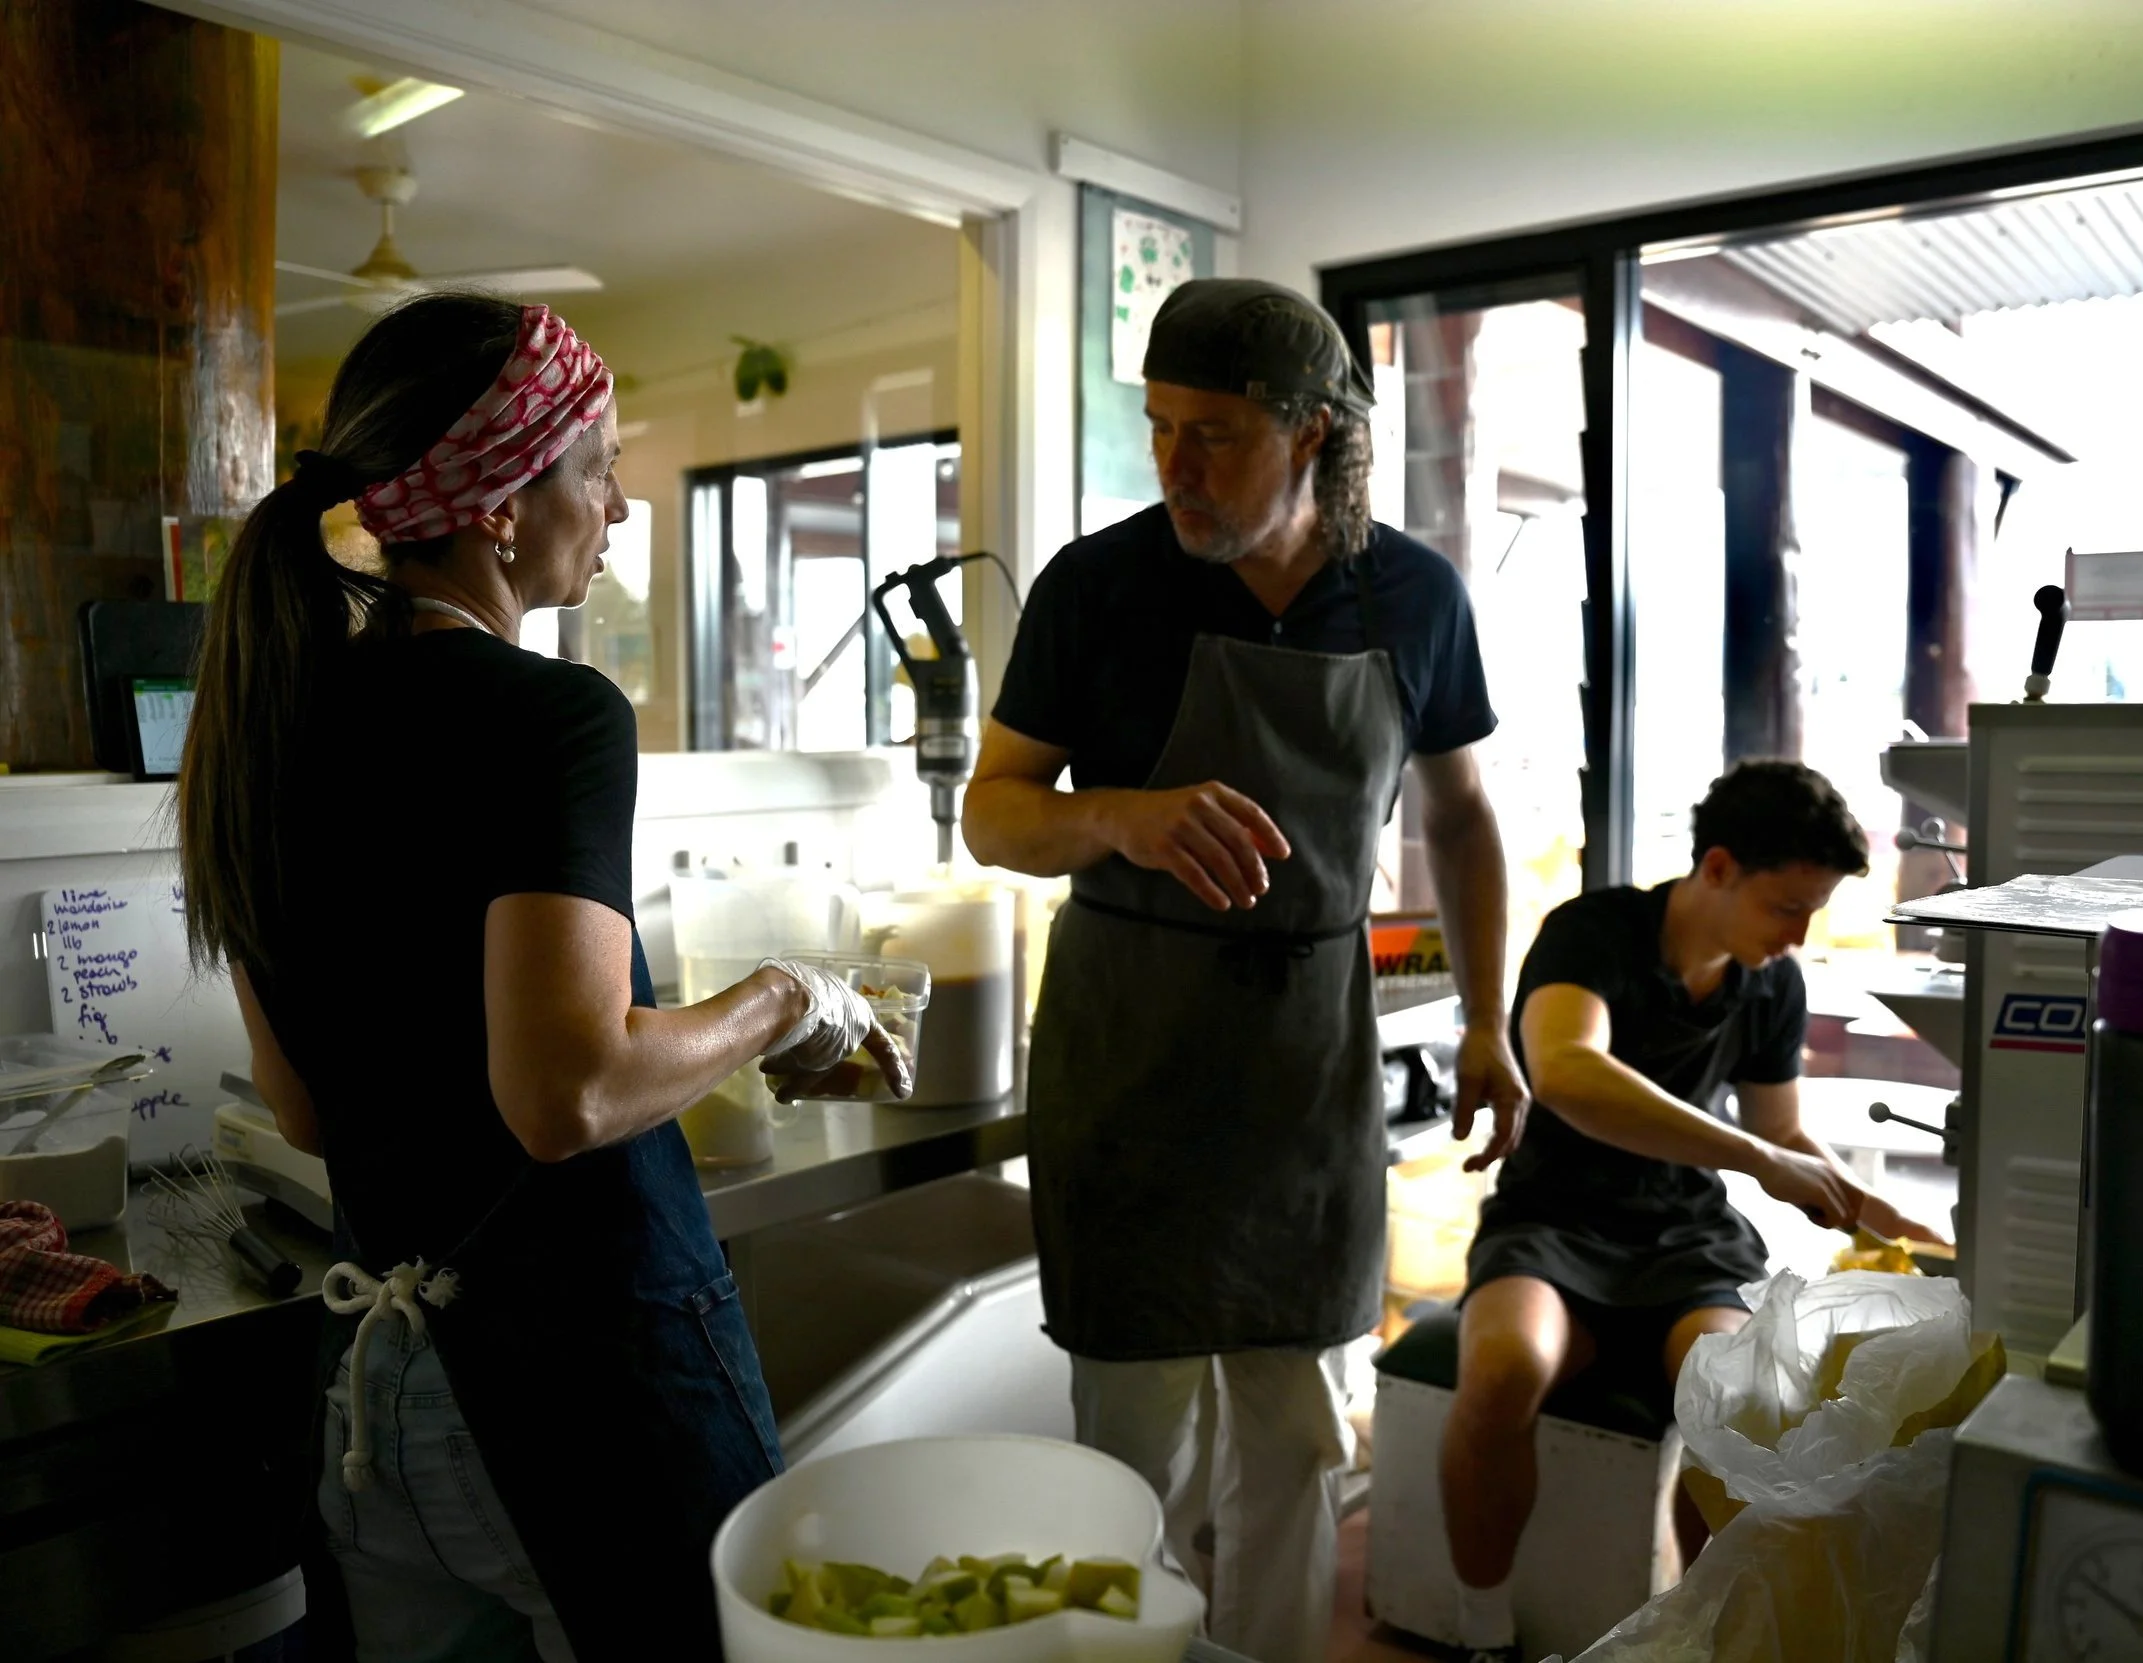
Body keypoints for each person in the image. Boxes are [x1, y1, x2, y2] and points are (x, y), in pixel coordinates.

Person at [176, 294, 904, 1663]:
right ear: (503, 506)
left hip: (379, 1394)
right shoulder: (553, 715)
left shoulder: (272, 717)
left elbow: (307, 1107)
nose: (619, 507)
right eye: (601, 468)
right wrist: (784, 998)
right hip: (580, 1392)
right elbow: (566, 1092)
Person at [962, 278, 1530, 1663]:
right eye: (1159, 427)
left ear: (1312, 430)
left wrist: (1487, 1021)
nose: (1176, 464)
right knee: (1130, 1449)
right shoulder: (1097, 586)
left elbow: (1461, 815)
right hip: (1129, 1056)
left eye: (1212, 433)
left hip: (1304, 1066)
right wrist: (1119, 815)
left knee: (1295, 1434)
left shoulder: (1412, 594)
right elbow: (993, 810)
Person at [1438, 760, 1948, 1663]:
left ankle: (1693, 1637)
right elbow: (1565, 1070)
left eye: (1813, 912)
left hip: (1686, 1236)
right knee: (1501, 1370)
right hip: (1551, 1219)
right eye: (1786, 907)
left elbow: (1784, 1133)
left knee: (1743, 1406)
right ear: (1718, 867)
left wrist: (1902, 1229)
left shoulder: (1770, 984)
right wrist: (1757, 1158)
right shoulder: (1593, 933)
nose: (1797, 935)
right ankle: (1484, 1632)